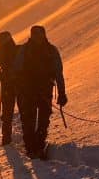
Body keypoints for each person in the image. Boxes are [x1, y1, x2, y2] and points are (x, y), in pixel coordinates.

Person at [12, 25, 67, 159]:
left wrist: (62, 92)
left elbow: (16, 69)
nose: (38, 37)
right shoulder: (50, 50)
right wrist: (61, 92)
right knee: (38, 120)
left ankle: (34, 148)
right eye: (36, 35)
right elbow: (58, 72)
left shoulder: (25, 50)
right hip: (40, 91)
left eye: (39, 34)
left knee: (32, 120)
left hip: (30, 91)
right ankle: (35, 148)